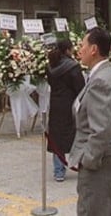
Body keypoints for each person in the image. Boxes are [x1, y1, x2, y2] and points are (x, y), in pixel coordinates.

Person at [68, 27, 111, 216]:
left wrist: (89, 159)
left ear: (93, 49)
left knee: (91, 210)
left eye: (83, 45)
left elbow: (100, 129)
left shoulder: (101, 81)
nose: (79, 50)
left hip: (100, 163)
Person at [47, 38, 85, 182]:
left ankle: (58, 171)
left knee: (57, 137)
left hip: (55, 104)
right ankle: (81, 165)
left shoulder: (51, 66)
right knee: (77, 134)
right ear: (68, 50)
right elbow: (80, 87)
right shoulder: (73, 67)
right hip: (70, 105)